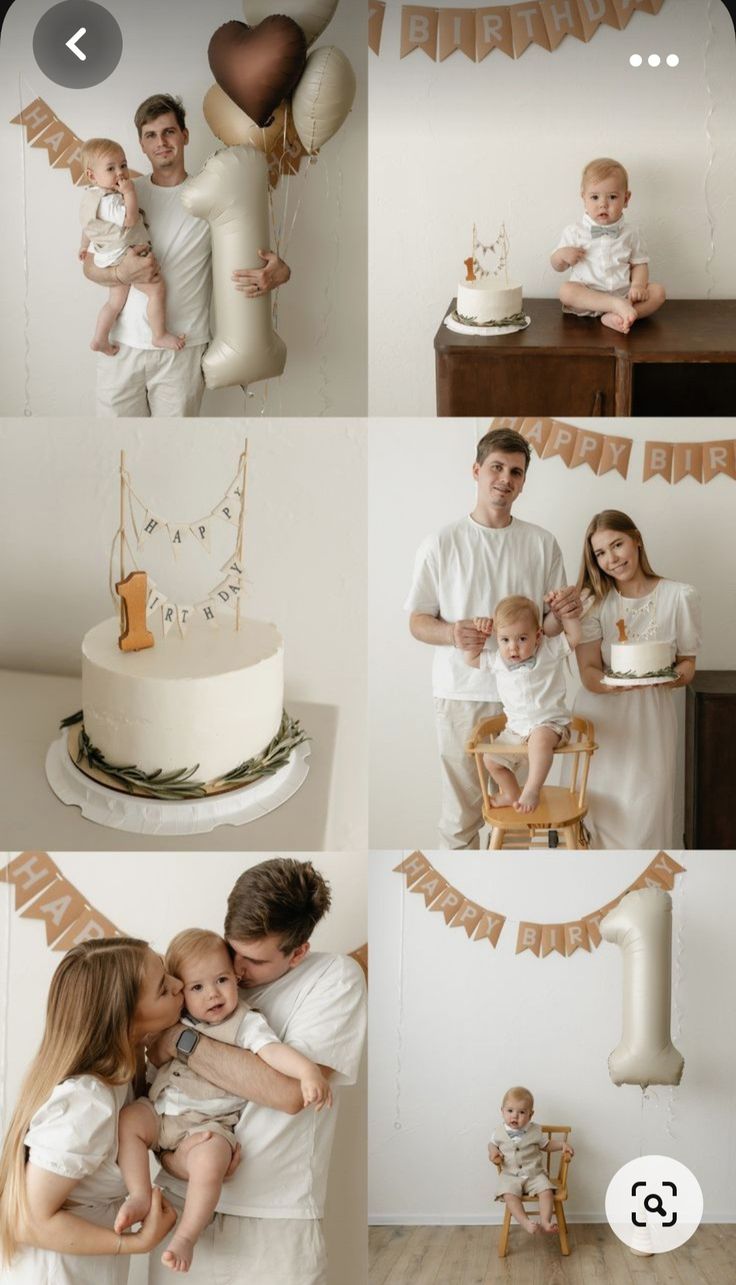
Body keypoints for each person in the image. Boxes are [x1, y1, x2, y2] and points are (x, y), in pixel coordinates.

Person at [145, 858, 367, 1285]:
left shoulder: (334, 979)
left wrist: (180, 1039)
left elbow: (288, 1094)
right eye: (233, 951)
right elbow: (157, 1091)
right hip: (179, 1202)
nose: (237, 972)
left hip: (274, 1219)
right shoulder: (200, 974)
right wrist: (175, 1161)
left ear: (298, 952)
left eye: (255, 961)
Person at [115, 928, 332, 1275]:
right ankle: (139, 1194)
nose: (213, 994)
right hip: (162, 1116)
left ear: (236, 977)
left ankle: (186, 1235)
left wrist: (308, 1072)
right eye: (197, 987)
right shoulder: (173, 1017)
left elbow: (272, 1051)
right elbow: (152, 1058)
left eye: (221, 980)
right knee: (128, 1121)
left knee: (209, 1165)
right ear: (179, 990)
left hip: (208, 1126)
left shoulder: (244, 1022)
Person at [405, 426, 581, 848]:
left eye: (516, 472)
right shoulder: (441, 543)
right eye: (497, 467)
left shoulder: (542, 543)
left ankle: (509, 900)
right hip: (462, 693)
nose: (505, 478)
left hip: (527, 702)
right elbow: (416, 620)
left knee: (519, 816)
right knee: (461, 814)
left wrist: (565, 612)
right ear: (477, 470)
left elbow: (550, 628)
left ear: (523, 482)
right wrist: (452, 632)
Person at [82, 94, 290, 417]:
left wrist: (280, 272)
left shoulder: (214, 197)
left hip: (182, 350)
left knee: (174, 453)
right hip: (120, 348)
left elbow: (266, 261)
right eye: (150, 135)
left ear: (185, 135)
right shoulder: (122, 196)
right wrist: (122, 275)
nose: (160, 142)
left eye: (168, 132)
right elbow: (91, 267)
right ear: (141, 143)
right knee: (116, 453)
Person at [0, 938, 183, 1283]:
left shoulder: (121, 1078)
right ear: (125, 1021)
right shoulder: (88, 1102)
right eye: (163, 989)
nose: (179, 985)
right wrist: (135, 1244)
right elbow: (26, 1220)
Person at [574, 509, 701, 849]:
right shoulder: (593, 604)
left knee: (646, 811)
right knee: (600, 815)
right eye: (601, 553)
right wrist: (617, 683)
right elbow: (587, 671)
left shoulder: (679, 596)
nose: (611, 559)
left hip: (652, 721)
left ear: (636, 540)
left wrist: (668, 679)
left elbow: (688, 664)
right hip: (603, 721)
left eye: (617, 545)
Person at [460, 593, 582, 813]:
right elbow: (470, 658)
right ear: (497, 638)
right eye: (505, 640)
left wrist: (568, 614)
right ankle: (510, 792)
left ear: (538, 636)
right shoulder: (498, 660)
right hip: (516, 729)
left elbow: (574, 636)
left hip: (550, 724)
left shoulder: (549, 650)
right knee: (491, 759)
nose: (513, 648)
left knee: (539, 740)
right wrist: (478, 630)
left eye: (522, 639)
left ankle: (533, 789)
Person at [79, 138, 184, 357]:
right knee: (157, 290)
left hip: (107, 256)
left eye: (123, 165)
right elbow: (129, 219)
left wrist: (84, 246)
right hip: (125, 254)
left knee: (115, 302)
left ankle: (100, 338)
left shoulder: (91, 198)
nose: (120, 173)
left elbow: (88, 228)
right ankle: (159, 334)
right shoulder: (111, 201)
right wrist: (129, 193)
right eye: (111, 168)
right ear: (92, 175)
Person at [551, 157, 666, 334]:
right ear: (584, 198)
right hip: (588, 298)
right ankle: (615, 307)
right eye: (595, 197)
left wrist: (637, 286)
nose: (603, 204)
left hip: (625, 295)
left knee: (658, 292)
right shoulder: (574, 231)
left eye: (612, 197)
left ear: (626, 199)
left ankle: (619, 317)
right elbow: (557, 265)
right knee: (566, 291)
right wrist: (561, 256)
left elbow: (640, 264)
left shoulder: (632, 233)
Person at [488, 1086, 573, 1236]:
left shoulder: (535, 1130)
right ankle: (526, 1222)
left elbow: (546, 1145)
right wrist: (493, 1152)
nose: (515, 1116)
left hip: (534, 1174)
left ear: (530, 1114)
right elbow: (492, 1144)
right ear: (502, 1111)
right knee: (509, 1195)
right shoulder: (498, 1132)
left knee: (546, 1191)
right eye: (510, 1111)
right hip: (510, 1176)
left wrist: (561, 1145)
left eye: (521, 1112)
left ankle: (545, 1221)